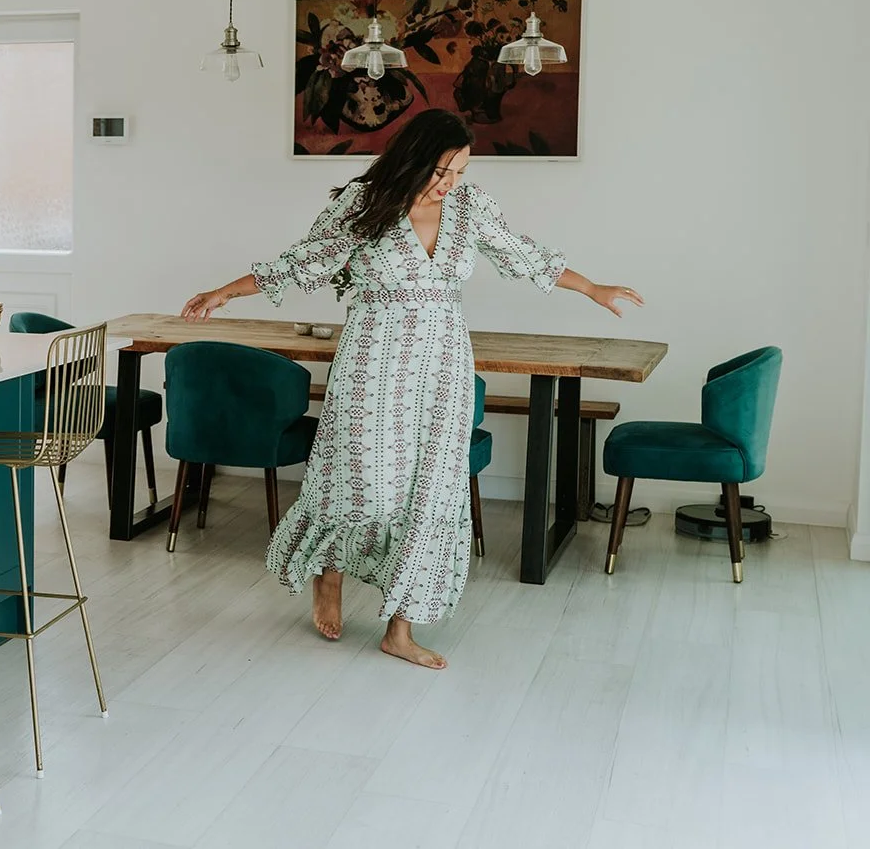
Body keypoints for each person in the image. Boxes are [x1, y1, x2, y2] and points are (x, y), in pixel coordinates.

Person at [180, 109, 641, 669]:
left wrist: (592, 287)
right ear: (415, 158)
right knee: (362, 482)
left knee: (432, 492)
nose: (450, 183)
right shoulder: (362, 205)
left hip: (442, 361)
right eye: (443, 170)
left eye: (460, 173)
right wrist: (222, 293)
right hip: (373, 358)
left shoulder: (469, 210)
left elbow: (524, 254)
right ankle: (330, 574)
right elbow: (299, 262)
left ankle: (400, 628)